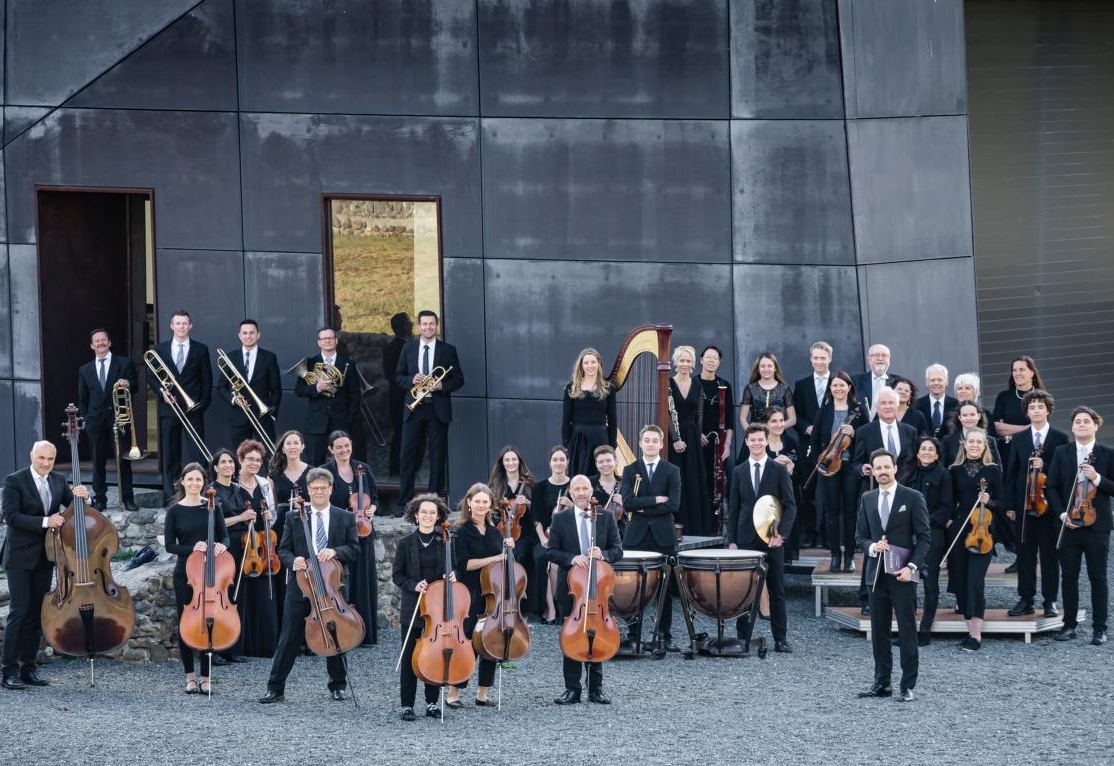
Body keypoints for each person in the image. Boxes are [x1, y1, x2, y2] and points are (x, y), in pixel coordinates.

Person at [260, 468, 360, 703]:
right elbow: (283, 549)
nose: (318, 492)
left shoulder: (344, 517)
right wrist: (291, 561)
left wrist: (335, 551)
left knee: (336, 631)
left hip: (331, 584)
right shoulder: (294, 517)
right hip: (302, 586)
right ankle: (275, 687)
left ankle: (338, 685)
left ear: (330, 489)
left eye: (322, 488)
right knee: (289, 635)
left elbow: (354, 549)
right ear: (308, 490)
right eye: (314, 488)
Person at [1, 441, 89, 689]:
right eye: (41, 458)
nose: (46, 464)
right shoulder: (14, 481)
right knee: (18, 612)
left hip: (47, 555)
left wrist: (84, 497)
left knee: (36, 614)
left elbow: (74, 510)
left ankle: (29, 668)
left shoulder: (58, 480)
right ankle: (8, 671)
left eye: (50, 459)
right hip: (19, 556)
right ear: (32, 456)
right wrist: (45, 521)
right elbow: (11, 516)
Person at [855, 449, 930, 702]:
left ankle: (907, 685)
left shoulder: (913, 497)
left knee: (908, 630)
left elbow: (924, 538)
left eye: (887, 467)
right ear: (873, 471)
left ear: (895, 468)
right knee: (879, 632)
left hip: (902, 574)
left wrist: (912, 568)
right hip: (875, 575)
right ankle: (881, 682)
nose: (883, 471)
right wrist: (871, 547)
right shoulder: (867, 498)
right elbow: (860, 537)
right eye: (878, 468)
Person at [547, 474, 623, 705]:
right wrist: (572, 558)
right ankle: (572, 689)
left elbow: (618, 550)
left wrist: (604, 554)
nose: (581, 492)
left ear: (592, 491)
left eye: (585, 488)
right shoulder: (560, 519)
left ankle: (596, 689)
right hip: (570, 589)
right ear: (570, 491)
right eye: (576, 488)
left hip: (597, 590)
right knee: (571, 637)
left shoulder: (606, 517)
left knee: (597, 632)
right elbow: (550, 552)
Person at [726, 424, 797, 653]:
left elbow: (790, 506)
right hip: (745, 539)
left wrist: (782, 535)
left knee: (776, 588)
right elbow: (734, 508)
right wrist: (732, 540)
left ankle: (780, 638)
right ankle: (742, 638)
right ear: (746, 442)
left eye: (760, 440)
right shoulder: (738, 471)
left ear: (766, 441)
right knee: (744, 590)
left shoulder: (778, 470)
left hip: (772, 538)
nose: (756, 444)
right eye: (752, 440)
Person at [1047, 406, 1112, 646]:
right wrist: (1061, 514)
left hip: (1097, 527)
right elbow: (1051, 487)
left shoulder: (1107, 454)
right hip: (1069, 524)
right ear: (1072, 427)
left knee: (1098, 577)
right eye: (1077, 421)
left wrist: (1096, 477)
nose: (1082, 425)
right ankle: (1070, 625)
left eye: (1087, 421)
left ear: (1096, 425)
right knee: (1070, 577)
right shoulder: (1061, 452)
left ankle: (1099, 628)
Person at [163, 463, 229, 695]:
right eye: (190, 479)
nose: (194, 483)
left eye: (198, 480)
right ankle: (190, 677)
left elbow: (225, 537)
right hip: (187, 574)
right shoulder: (174, 511)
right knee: (186, 624)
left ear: (204, 482)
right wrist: (193, 548)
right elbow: (170, 545)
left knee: (209, 623)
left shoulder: (212, 506)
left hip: (212, 573)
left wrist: (221, 546)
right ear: (182, 482)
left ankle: (206, 677)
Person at [1003, 390, 1068, 616]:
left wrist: (1046, 465)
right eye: (1032, 407)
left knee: (1050, 555)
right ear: (1027, 412)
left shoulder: (1060, 438)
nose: (1036, 410)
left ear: (1048, 410)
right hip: (1024, 505)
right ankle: (1026, 599)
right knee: (1025, 554)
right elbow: (1011, 474)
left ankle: (1050, 600)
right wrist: (1010, 506)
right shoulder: (1019, 438)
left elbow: (1065, 474)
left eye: (1041, 407)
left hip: (1049, 507)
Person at [446, 483, 510, 708]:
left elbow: (505, 563)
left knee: (491, 640)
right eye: (478, 501)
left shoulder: (495, 532)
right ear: (469, 503)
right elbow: (465, 564)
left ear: (490, 505)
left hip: (492, 593)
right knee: (468, 641)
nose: (482, 505)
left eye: (486, 502)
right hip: (471, 592)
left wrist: (509, 549)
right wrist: (496, 558)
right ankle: (453, 692)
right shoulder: (461, 531)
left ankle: (482, 694)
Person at [392, 493, 455, 721]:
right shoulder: (405, 543)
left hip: (437, 611)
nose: (428, 516)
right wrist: (413, 584)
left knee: (434, 656)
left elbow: (452, 570)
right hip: (413, 607)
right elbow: (397, 576)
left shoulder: (446, 542)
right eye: (424, 512)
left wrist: (452, 576)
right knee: (410, 657)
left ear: (438, 517)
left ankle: (431, 703)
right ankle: (407, 705)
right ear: (416, 516)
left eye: (432, 512)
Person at [620, 425, 682, 653]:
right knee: (633, 588)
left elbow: (674, 504)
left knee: (664, 589)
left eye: (655, 440)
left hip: (663, 537)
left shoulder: (671, 470)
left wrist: (643, 506)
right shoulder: (629, 470)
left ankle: (665, 634)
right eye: (646, 440)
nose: (650, 444)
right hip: (636, 537)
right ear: (640, 443)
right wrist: (655, 500)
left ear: (661, 444)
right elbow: (627, 503)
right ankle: (633, 633)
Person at [396, 310, 465, 508]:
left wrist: (441, 386)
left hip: (437, 408)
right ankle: (404, 503)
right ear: (419, 326)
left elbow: (459, 379)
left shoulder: (448, 350)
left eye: (432, 324)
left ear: (437, 326)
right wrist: (411, 380)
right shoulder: (408, 349)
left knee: (437, 456)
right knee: (407, 455)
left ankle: (434, 502)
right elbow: (397, 377)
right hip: (415, 408)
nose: (428, 327)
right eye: (424, 324)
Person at [948, 428, 1005, 653]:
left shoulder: (992, 471)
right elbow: (949, 501)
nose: (974, 445)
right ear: (964, 444)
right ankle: (967, 629)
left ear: (984, 446)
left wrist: (990, 501)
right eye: (970, 441)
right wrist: (949, 521)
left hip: (983, 530)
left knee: (975, 581)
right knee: (961, 580)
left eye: (978, 442)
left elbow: (1003, 502)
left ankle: (976, 635)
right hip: (960, 529)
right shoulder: (954, 470)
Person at [148, 309, 212, 504]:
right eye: (178, 323)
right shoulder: (159, 350)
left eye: (185, 323)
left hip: (193, 409)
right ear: (171, 326)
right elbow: (152, 377)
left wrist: (201, 404)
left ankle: (199, 493)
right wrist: (162, 393)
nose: (181, 327)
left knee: (196, 452)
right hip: (169, 408)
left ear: (190, 326)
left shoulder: (201, 349)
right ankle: (171, 495)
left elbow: (206, 380)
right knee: (170, 452)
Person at [321, 430, 378, 646]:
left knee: (363, 580)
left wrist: (371, 508)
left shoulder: (363, 469)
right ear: (331, 449)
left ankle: (365, 633)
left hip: (363, 531)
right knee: (343, 581)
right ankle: (343, 630)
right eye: (339, 447)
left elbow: (375, 497)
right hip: (339, 534)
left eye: (347, 446)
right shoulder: (326, 472)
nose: (344, 450)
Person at [77, 328, 140, 511]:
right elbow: (83, 399)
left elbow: (135, 386)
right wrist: (87, 419)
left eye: (104, 340)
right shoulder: (85, 369)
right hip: (95, 421)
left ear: (109, 342)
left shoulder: (124, 363)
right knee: (98, 461)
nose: (100, 343)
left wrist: (127, 383)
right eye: (96, 341)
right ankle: (100, 498)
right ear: (91, 345)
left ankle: (128, 498)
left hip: (119, 418)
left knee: (123, 459)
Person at [899, 436, 953, 645]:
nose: (927, 452)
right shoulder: (910, 472)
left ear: (937, 454)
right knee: (907, 585)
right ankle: (908, 630)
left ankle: (925, 629)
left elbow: (946, 507)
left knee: (930, 584)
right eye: (923, 449)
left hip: (931, 535)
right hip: (907, 535)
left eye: (931, 449)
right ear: (918, 452)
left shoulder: (943, 475)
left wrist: (924, 523)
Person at [809, 371, 862, 573]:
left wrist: (854, 433)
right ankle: (834, 554)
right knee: (831, 512)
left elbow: (866, 437)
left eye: (842, 385)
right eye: (834, 385)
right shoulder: (824, 411)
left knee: (849, 513)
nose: (838, 389)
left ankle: (849, 555)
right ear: (830, 389)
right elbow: (814, 441)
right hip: (829, 466)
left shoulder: (857, 411)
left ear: (849, 388)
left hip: (849, 467)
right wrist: (819, 462)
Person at [234, 439, 280, 658]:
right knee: (242, 593)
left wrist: (271, 515)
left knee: (263, 593)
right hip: (241, 543)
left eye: (258, 460)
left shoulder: (264, 483)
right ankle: (242, 645)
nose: (254, 463)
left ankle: (265, 644)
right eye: (250, 459)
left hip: (262, 544)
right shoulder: (233, 484)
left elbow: (273, 512)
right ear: (240, 460)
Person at [294, 327, 360, 466]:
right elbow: (299, 391)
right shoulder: (310, 363)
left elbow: (355, 395)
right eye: (324, 338)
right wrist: (317, 388)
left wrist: (349, 419)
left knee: (343, 464)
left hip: (340, 421)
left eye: (330, 338)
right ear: (319, 342)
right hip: (316, 423)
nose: (328, 341)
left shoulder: (348, 363)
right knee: (315, 465)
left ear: (336, 341)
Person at [208, 448, 250, 663]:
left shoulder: (237, 489)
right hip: (222, 546)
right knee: (218, 597)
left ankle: (230, 648)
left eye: (231, 462)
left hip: (240, 545)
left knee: (234, 598)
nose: (228, 465)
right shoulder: (211, 491)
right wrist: (242, 517)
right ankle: (212, 649)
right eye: (223, 462)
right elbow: (216, 522)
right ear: (215, 467)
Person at [488, 446, 539, 616]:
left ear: (519, 462)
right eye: (507, 460)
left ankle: (520, 603)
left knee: (520, 554)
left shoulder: (530, 484)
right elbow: (491, 511)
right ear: (502, 463)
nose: (511, 463)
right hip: (501, 530)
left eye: (514, 459)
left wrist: (530, 503)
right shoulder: (495, 485)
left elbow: (539, 513)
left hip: (524, 533)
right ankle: (500, 601)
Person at [217, 319, 282, 452]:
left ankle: (271, 474)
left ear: (258, 335)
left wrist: (272, 413)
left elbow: (276, 389)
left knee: (270, 457)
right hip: (238, 417)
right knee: (241, 458)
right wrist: (234, 399)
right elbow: (221, 387)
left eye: (252, 333)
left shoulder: (269, 357)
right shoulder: (230, 357)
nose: (248, 336)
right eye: (245, 333)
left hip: (263, 417)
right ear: (239, 335)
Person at [668, 345, 712, 536]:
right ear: (675, 362)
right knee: (678, 479)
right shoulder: (668, 383)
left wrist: (697, 437)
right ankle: (677, 525)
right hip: (674, 438)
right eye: (681, 360)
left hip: (692, 437)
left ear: (693, 363)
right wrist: (676, 439)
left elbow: (699, 416)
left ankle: (695, 529)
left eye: (688, 360)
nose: (685, 364)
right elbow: (667, 414)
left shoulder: (697, 384)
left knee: (693, 479)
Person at [792, 341, 833, 549]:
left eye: (822, 358)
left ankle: (827, 534)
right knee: (808, 489)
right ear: (810, 359)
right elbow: (795, 415)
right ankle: (809, 533)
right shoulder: (801, 384)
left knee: (829, 492)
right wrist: (805, 428)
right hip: (808, 445)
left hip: (833, 446)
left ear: (829, 359)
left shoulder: (838, 382)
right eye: (815, 358)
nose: (819, 361)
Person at [532, 446, 573, 624]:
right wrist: (542, 538)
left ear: (567, 462)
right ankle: (549, 608)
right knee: (542, 558)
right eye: (555, 459)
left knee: (557, 564)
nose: (558, 463)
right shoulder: (540, 487)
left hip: (569, 538)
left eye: (562, 459)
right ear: (549, 463)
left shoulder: (575, 485)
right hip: (546, 535)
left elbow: (584, 512)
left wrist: (571, 505)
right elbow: (537, 518)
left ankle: (558, 605)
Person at [562, 348, 617, 478]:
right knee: (579, 477)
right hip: (578, 439)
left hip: (600, 438)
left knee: (600, 476)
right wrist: (567, 443)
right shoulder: (571, 387)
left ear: (599, 364)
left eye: (593, 362)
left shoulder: (608, 388)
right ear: (581, 365)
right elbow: (566, 419)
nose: (590, 366)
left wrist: (612, 445)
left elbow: (613, 418)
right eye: (586, 363)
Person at [697, 345, 734, 527]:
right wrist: (697, 434)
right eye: (708, 357)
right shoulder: (694, 383)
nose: (711, 360)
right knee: (700, 480)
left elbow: (730, 421)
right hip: (697, 443)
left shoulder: (725, 385)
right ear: (701, 360)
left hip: (718, 443)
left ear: (719, 363)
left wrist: (727, 446)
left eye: (715, 358)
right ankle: (701, 523)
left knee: (718, 485)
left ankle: (716, 526)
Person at [763, 407, 801, 561]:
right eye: (774, 421)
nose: (779, 424)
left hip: (788, 501)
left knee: (785, 551)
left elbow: (802, 477)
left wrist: (791, 471)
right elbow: (748, 471)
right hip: (765, 504)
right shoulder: (759, 443)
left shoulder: (791, 442)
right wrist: (772, 465)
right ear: (765, 424)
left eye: (781, 420)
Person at [991, 355, 1046, 445]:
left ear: (1032, 373)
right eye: (1014, 370)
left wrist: (1009, 430)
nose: (1017, 373)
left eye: (1022, 369)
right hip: (1008, 449)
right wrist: (1026, 428)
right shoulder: (1004, 397)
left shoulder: (1041, 397)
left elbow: (1040, 428)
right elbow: (997, 427)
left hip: (1032, 448)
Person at [384, 312, 413, 477]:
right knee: (402, 435)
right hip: (401, 397)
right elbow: (393, 375)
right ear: (402, 326)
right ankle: (397, 471)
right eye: (409, 322)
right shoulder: (398, 347)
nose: (411, 325)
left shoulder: (397, 346)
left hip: (400, 397)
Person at [739, 351, 796, 431]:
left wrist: (775, 428)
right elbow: (742, 418)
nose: (766, 369)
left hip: (778, 437)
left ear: (775, 368)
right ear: (758, 369)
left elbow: (792, 419)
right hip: (756, 438)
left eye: (769, 366)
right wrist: (751, 434)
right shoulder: (750, 388)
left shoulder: (784, 389)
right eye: (762, 366)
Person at [941, 402, 1002, 467]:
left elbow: (998, 468)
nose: (968, 418)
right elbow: (943, 467)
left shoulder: (990, 440)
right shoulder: (947, 440)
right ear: (959, 417)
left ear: (979, 416)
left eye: (972, 414)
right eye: (964, 415)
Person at [852, 344, 899, 418]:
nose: (880, 358)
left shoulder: (898, 382)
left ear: (889, 360)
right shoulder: (855, 381)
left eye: (884, 355)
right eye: (876, 355)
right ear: (869, 359)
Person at [914, 364, 959, 440]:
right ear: (927, 382)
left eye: (940, 380)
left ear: (947, 381)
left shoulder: (956, 405)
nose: (936, 383)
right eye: (932, 380)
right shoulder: (917, 405)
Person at [590, 445, 625, 537]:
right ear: (596, 465)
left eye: (608, 460)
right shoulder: (589, 484)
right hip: (595, 533)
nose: (605, 464)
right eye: (601, 462)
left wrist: (625, 503)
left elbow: (636, 512)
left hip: (622, 534)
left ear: (616, 461)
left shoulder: (625, 483)